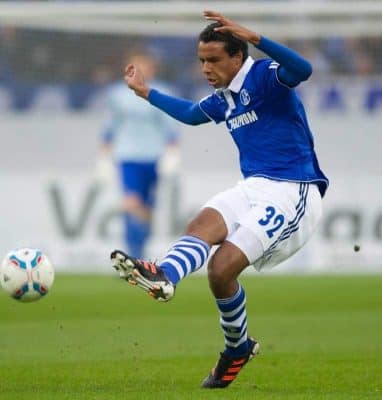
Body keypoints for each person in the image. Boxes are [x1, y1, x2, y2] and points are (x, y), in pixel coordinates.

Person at [111, 10, 329, 389]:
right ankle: (166, 276)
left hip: (293, 190)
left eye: (213, 60)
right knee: (200, 228)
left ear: (237, 56)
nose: (206, 68)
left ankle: (235, 349)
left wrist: (257, 37)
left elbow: (304, 69)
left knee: (222, 268)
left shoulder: (264, 76)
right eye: (201, 61)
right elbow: (193, 115)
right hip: (254, 186)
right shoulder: (222, 98)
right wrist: (147, 93)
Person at [100, 53, 179, 259]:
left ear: (153, 69)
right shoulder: (117, 94)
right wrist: (103, 157)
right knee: (132, 203)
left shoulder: (162, 92)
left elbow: (170, 125)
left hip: (154, 157)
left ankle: (140, 253)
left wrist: (172, 154)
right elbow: (110, 125)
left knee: (147, 208)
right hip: (127, 156)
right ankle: (132, 253)